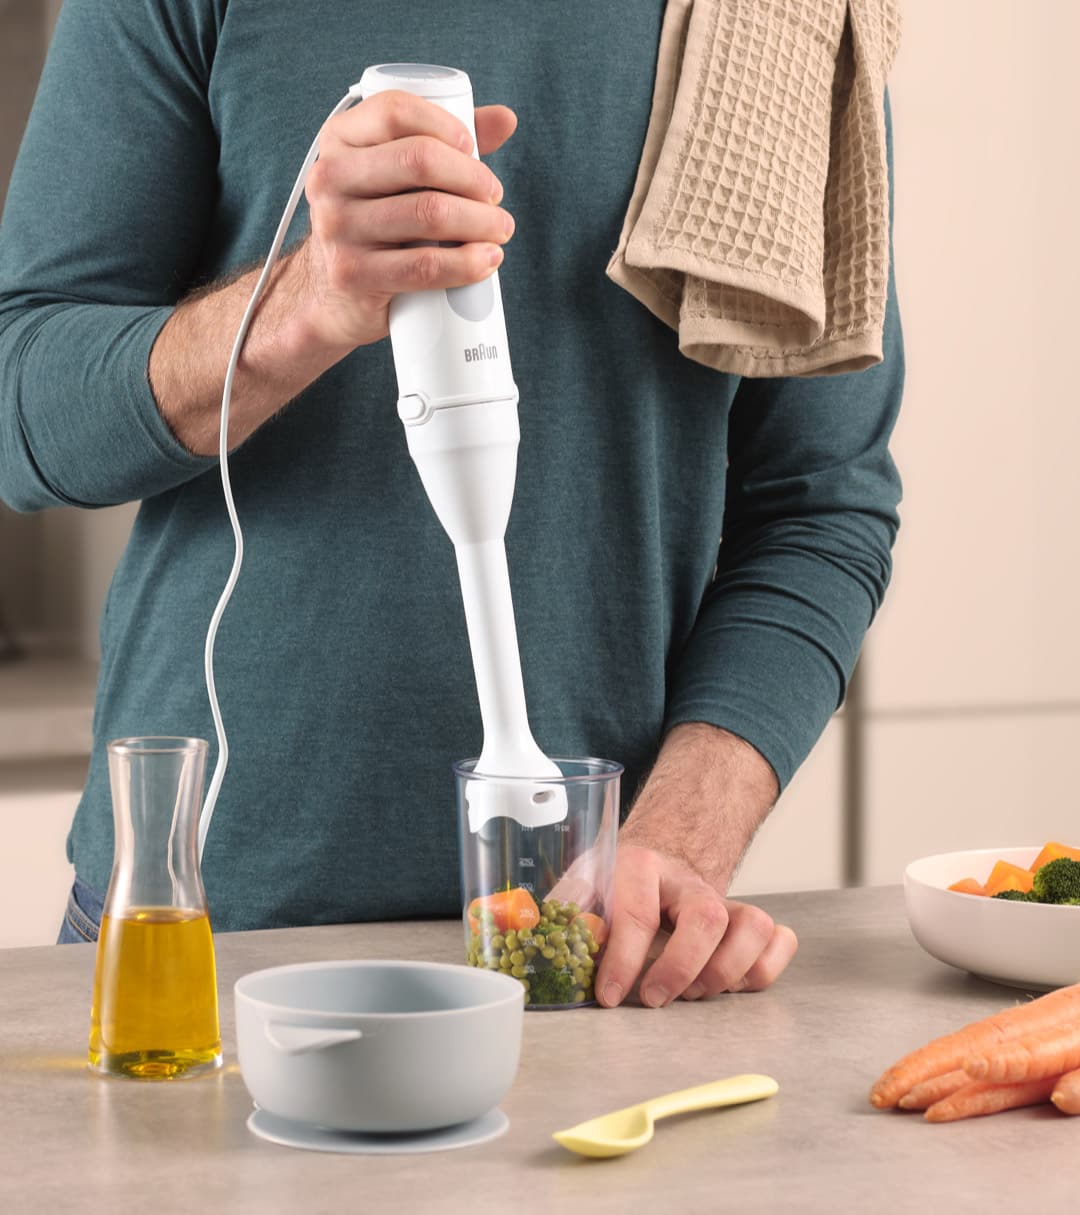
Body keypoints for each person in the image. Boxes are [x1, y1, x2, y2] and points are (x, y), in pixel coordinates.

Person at [0, 0, 902, 1007]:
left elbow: (822, 507)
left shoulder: (776, 15)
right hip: (199, 936)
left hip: (585, 948)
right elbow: (28, 418)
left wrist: (684, 833)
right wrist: (301, 307)